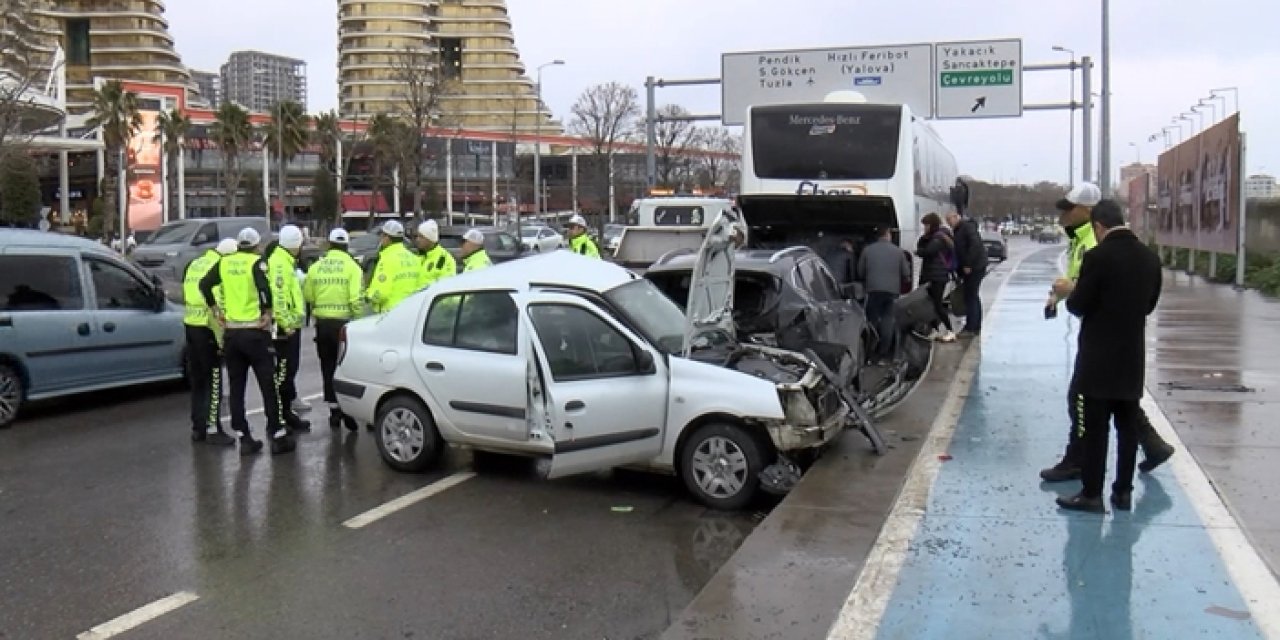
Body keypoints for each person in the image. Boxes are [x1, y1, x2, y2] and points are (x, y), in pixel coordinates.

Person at [1040, 184, 1175, 482]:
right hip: (1126, 339)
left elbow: (1094, 288)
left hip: (1100, 336)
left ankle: (1081, 466)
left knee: (1086, 400)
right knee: (1121, 401)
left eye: (1069, 209)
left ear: (1089, 213)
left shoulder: (1095, 244)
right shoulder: (1085, 240)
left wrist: (1071, 294)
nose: (1063, 215)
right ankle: (1146, 454)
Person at [199, 228, 295, 456]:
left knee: (236, 387)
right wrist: (267, 312)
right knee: (268, 385)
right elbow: (264, 289)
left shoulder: (224, 262)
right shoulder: (256, 262)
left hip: (232, 334)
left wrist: (215, 309)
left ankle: (244, 436)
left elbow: (204, 284)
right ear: (256, 245)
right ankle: (277, 434)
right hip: (255, 332)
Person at [304, 228, 364, 430]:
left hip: (323, 325)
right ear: (346, 245)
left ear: (329, 244)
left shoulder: (316, 267)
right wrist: (359, 321)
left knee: (327, 367)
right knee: (346, 368)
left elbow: (309, 296)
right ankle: (348, 410)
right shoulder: (353, 267)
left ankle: (333, 410)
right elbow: (356, 299)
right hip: (344, 325)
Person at [183, 238, 238, 445]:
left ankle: (198, 428)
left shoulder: (196, 263)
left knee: (197, 381)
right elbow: (216, 305)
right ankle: (214, 429)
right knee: (214, 381)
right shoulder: (219, 267)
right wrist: (221, 339)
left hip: (191, 325)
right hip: (208, 328)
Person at [264, 224, 311, 432]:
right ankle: (280, 417)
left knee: (287, 372)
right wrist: (286, 324)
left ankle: (285, 413)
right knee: (283, 373)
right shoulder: (281, 264)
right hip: (284, 328)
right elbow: (279, 298)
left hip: (289, 325)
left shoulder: (284, 261)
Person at [858, 226, 910, 362]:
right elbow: (906, 274)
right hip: (892, 292)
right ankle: (884, 353)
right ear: (888, 235)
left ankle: (869, 352)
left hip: (873, 290)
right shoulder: (898, 252)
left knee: (872, 320)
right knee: (888, 320)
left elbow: (860, 272)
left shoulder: (867, 250)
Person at [946, 207, 988, 336]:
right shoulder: (960, 229)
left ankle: (971, 327)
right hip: (973, 266)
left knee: (971, 296)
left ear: (957, 217)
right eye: (947, 221)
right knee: (972, 295)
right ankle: (974, 325)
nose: (949, 223)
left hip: (974, 267)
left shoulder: (967, 227)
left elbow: (974, 245)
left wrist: (968, 264)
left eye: (949, 220)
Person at [915, 213, 956, 343]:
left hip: (937, 276)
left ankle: (950, 330)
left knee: (937, 305)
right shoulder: (934, 237)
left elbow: (928, 252)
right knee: (930, 304)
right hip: (933, 275)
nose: (924, 228)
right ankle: (934, 329)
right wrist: (923, 240)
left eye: (926, 225)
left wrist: (919, 251)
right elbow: (922, 246)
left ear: (932, 225)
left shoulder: (938, 238)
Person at [364, 220, 421, 313]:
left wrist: (369, 296)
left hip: (392, 312)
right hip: (412, 311)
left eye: (382, 235)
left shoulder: (387, 259)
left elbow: (381, 292)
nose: (381, 238)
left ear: (387, 238)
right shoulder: (414, 258)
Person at [415, 220, 457, 287]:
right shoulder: (419, 256)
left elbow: (446, 285)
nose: (417, 239)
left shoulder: (444, 259)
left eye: (421, 237)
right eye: (417, 236)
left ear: (430, 239)